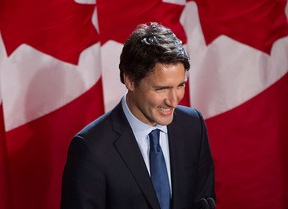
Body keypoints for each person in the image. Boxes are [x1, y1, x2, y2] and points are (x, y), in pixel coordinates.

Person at [61, 22, 216, 209]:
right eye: (161, 89)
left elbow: (204, 200)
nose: (174, 101)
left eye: (180, 85)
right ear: (130, 80)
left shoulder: (193, 125)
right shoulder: (91, 148)